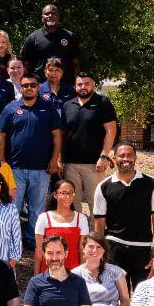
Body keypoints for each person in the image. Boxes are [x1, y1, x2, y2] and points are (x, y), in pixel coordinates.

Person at [0, 72, 62, 250]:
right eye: (25, 85)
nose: (29, 88)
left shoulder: (48, 107)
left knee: (36, 209)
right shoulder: (11, 108)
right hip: (15, 168)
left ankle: (33, 241)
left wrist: (54, 159)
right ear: (21, 87)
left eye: (33, 85)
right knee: (12, 208)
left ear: (38, 87)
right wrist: (1, 160)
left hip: (41, 168)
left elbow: (57, 136)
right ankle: (11, 240)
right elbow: (0, 135)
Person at [93, 142, 154, 290]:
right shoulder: (104, 186)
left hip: (142, 249)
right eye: (121, 156)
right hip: (114, 249)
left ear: (135, 157)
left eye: (130, 155)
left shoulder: (151, 183)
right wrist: (99, 254)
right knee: (118, 296)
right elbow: (99, 224)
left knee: (144, 294)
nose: (126, 159)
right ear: (114, 158)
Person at [59, 73, 117, 213]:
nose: (83, 87)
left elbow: (111, 130)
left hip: (94, 164)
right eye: (79, 84)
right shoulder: (67, 105)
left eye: (87, 83)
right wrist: (59, 159)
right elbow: (62, 134)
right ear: (75, 86)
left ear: (93, 85)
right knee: (72, 203)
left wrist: (104, 156)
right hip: (70, 164)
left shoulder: (103, 103)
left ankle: (97, 228)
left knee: (95, 202)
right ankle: (77, 227)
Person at [35, 179, 89, 273]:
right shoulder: (44, 218)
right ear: (55, 195)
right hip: (48, 273)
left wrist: (82, 276)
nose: (67, 196)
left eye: (70, 193)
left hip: (73, 274)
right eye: (63, 193)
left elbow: (82, 250)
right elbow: (39, 250)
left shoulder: (81, 218)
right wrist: (36, 276)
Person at [19, 3, 80, 77]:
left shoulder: (70, 36)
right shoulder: (32, 38)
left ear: (58, 17)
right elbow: (26, 63)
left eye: (53, 13)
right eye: (47, 14)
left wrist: (75, 81)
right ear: (42, 18)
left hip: (65, 82)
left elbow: (76, 63)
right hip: (40, 83)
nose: (50, 16)